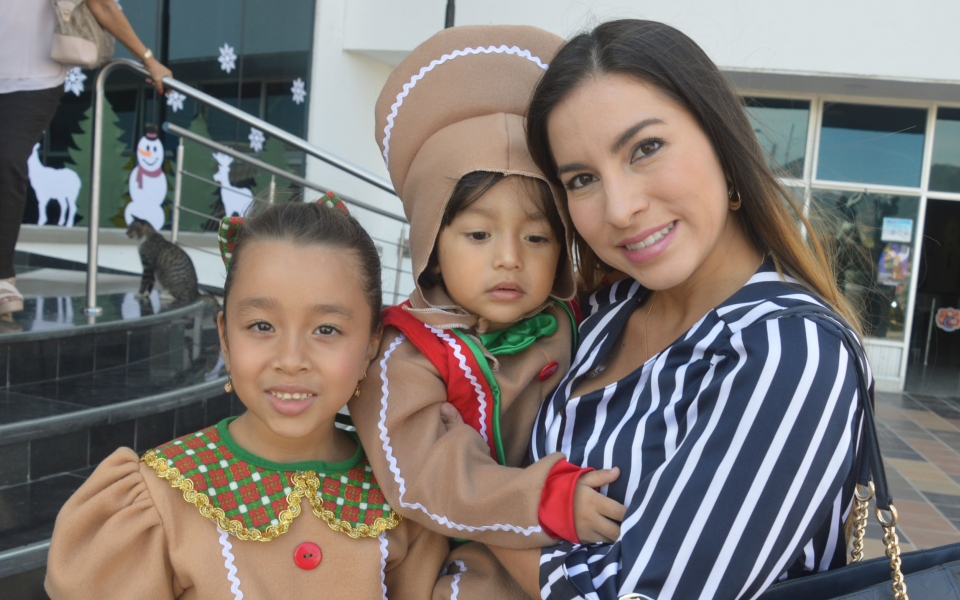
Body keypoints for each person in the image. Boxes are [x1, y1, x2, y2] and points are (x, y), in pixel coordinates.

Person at [481, 19, 870, 600]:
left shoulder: (789, 350)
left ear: (722, 142)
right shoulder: (601, 314)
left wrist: (465, 506)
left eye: (646, 148)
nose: (619, 207)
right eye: (583, 178)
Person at [45, 198, 448, 599]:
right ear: (224, 336)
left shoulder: (405, 499)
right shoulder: (157, 501)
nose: (291, 361)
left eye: (326, 329)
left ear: (371, 343)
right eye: (261, 325)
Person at [349, 25, 626, 599]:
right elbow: (425, 478)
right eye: (478, 234)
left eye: (537, 238)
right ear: (431, 239)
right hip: (453, 553)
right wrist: (539, 499)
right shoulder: (405, 353)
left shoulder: (576, 317)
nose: (509, 260)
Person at [0, 0, 172, 317]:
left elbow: (103, 5)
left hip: (33, 80)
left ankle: (2, 277)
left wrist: (148, 60)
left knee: (7, 160)